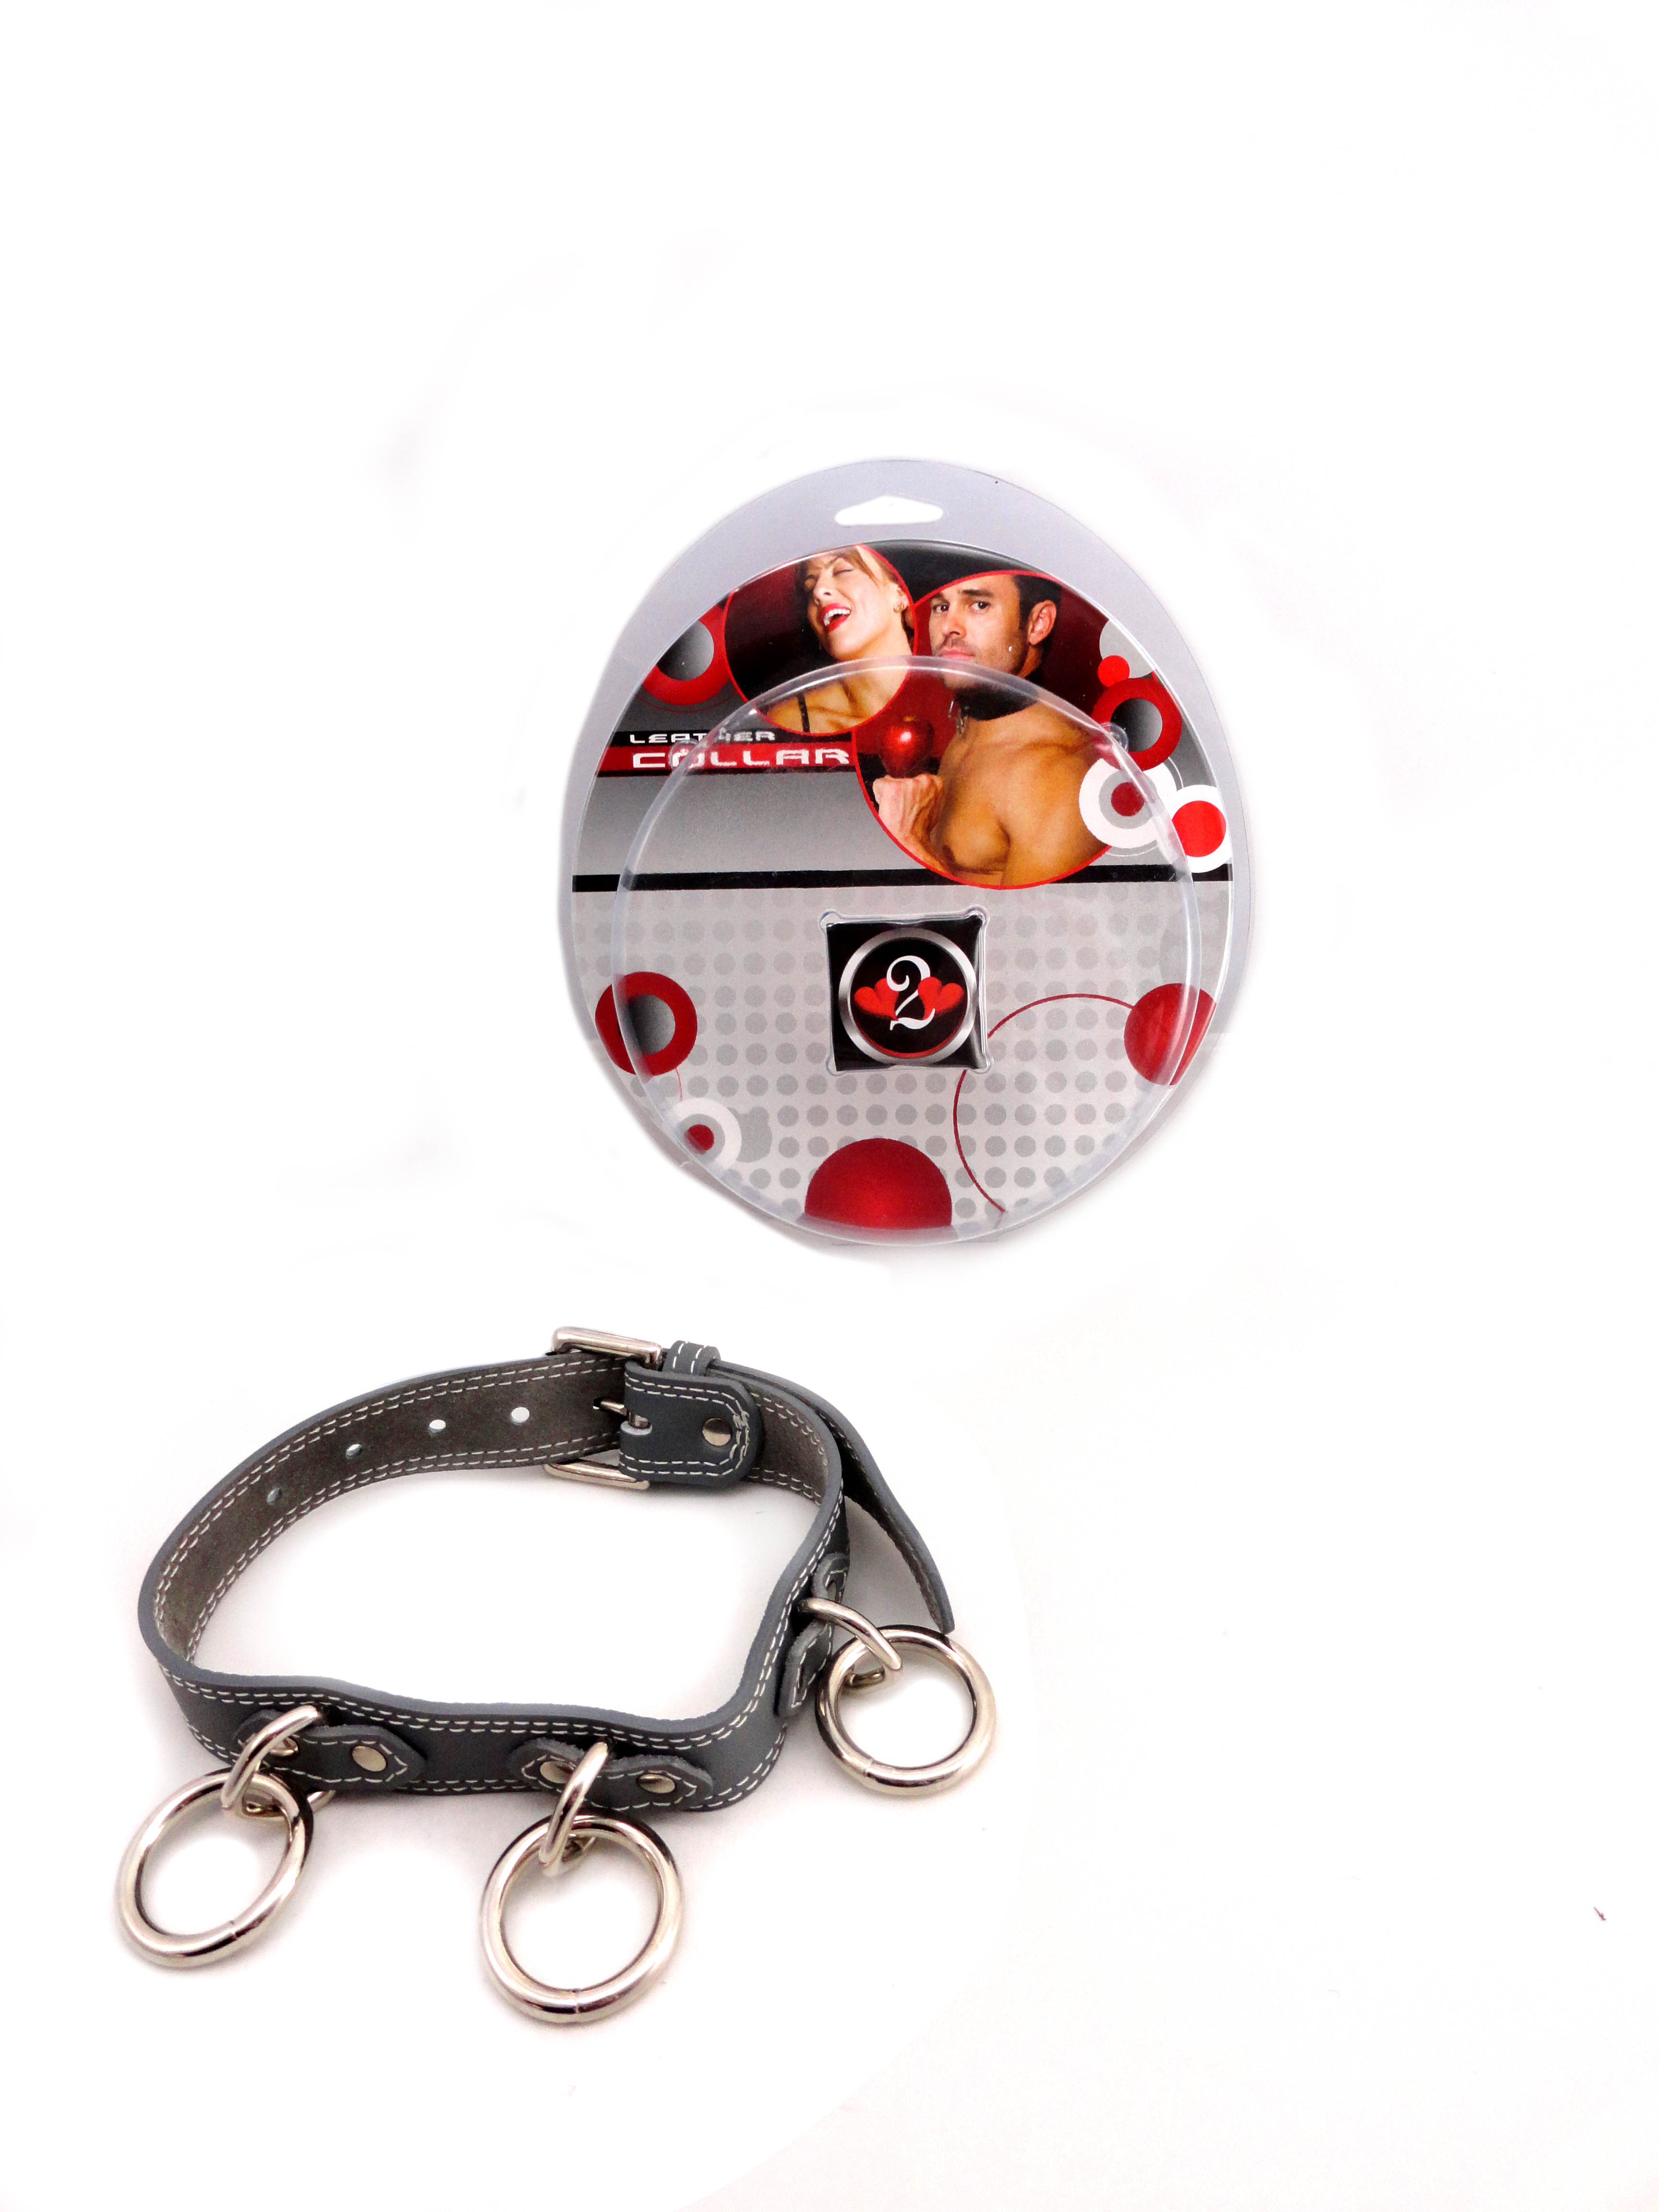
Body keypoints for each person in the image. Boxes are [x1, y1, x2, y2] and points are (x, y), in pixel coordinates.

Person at [870, 570, 1103, 888]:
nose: (949, 627)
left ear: (1037, 624)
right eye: (941, 607)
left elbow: (1032, 917)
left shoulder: (1058, 776)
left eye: (979, 605)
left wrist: (909, 840)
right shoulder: (977, 722)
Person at [764, 545, 913, 733]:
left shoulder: (946, 692)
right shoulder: (790, 721)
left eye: (842, 571)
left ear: (899, 594)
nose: (818, 592)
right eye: (810, 588)